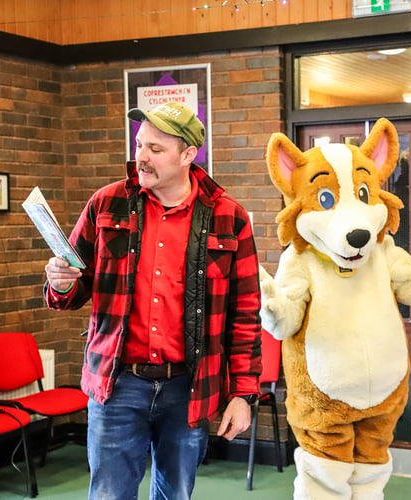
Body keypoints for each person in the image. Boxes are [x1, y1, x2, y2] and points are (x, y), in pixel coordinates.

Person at [43, 101, 262, 500]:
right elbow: (70, 290)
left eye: (156, 150)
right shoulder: (107, 204)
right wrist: (59, 282)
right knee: (109, 495)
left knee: (175, 494)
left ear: (188, 155)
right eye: (140, 145)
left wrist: (244, 395)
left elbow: (245, 314)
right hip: (117, 382)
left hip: (189, 386)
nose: (141, 157)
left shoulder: (229, 217)